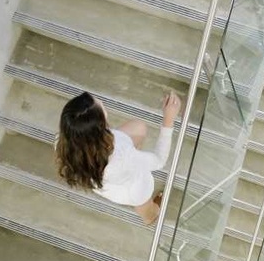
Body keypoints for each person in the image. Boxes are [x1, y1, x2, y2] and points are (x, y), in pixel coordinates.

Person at [55, 91, 181, 224]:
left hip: (105, 179)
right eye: (100, 105)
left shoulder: (64, 142)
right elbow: (159, 160)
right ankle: (151, 216)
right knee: (145, 206)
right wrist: (168, 120)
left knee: (138, 127)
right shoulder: (121, 156)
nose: (101, 102)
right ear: (99, 126)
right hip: (132, 189)